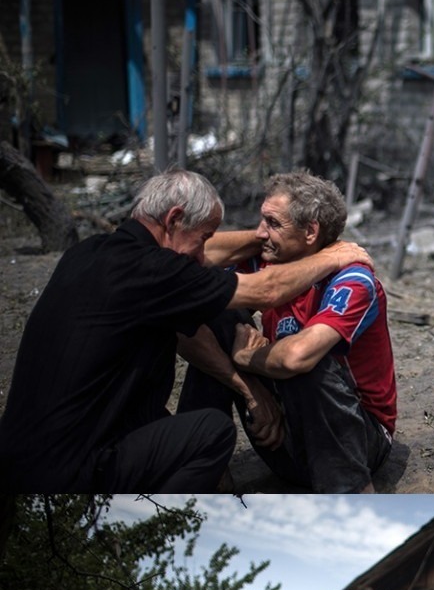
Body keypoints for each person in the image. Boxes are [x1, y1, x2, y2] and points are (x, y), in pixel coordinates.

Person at [0, 171, 242, 503]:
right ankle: (154, 522)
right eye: (203, 239)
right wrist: (333, 256)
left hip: (20, 458)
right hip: (72, 471)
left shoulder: (87, 253)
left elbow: (205, 263)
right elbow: (264, 290)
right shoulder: (151, 270)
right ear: (174, 219)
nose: (203, 255)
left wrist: (260, 237)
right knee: (213, 433)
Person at [234, 169, 398, 475]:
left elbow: (298, 357)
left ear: (310, 232)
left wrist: (245, 358)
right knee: (212, 313)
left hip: (359, 443)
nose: (259, 233)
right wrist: (251, 391)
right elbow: (191, 259)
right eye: (261, 220)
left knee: (308, 361)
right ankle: (209, 468)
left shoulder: (352, 279)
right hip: (282, 431)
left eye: (272, 223)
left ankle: (354, 490)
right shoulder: (271, 258)